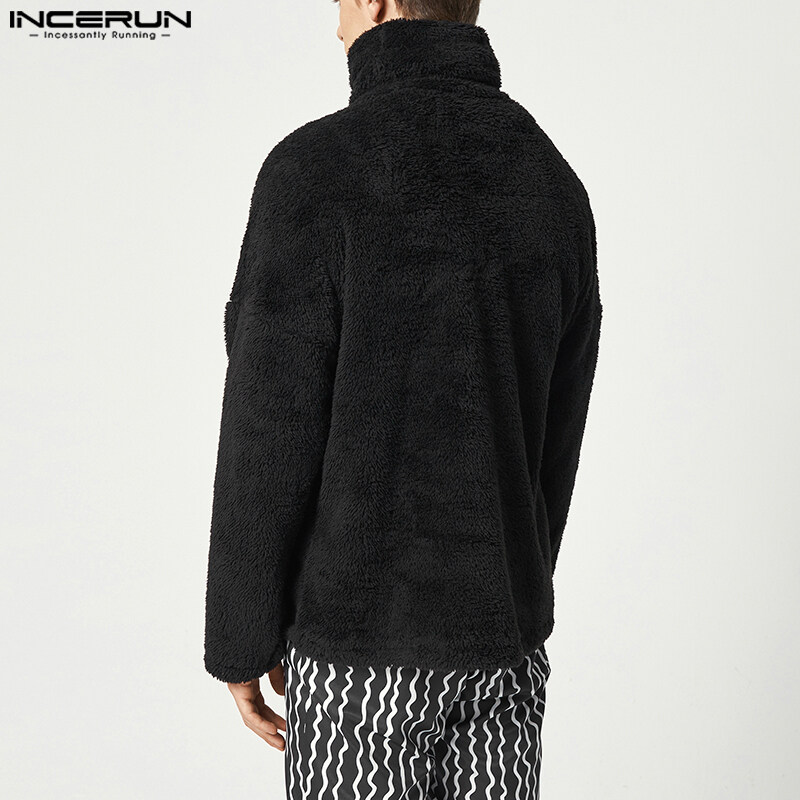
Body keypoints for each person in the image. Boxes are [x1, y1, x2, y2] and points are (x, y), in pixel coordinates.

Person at [204, 0, 603, 796]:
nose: (336, 22)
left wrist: (241, 637)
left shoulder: (314, 172)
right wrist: (516, 584)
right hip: (504, 649)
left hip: (358, 658)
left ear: (377, 2)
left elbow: (267, 431)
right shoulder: (551, 180)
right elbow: (558, 432)